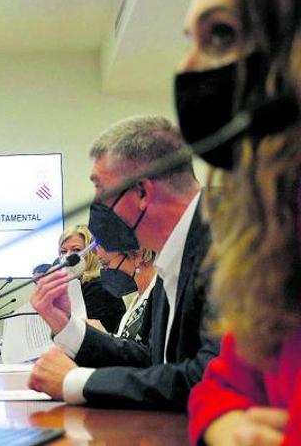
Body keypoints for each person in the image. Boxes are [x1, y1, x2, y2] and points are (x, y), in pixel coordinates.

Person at [177, 0, 301, 444]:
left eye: (221, 35)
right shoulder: (273, 229)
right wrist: (224, 422)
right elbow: (221, 382)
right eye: (190, 40)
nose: (187, 68)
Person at [27, 115, 220, 410]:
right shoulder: (177, 252)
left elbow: (209, 380)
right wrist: (66, 326)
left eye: (100, 188)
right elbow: (155, 363)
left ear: (142, 191)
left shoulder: (226, 245)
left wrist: (78, 382)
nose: (95, 205)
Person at [58, 224, 126, 333]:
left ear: (91, 252)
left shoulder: (99, 286)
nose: (68, 257)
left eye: (76, 250)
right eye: (63, 251)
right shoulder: (73, 285)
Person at [95, 247, 157, 342]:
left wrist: (104, 340)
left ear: (138, 255)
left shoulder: (159, 299)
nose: (106, 272)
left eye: (106, 264)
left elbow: (147, 353)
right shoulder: (137, 300)